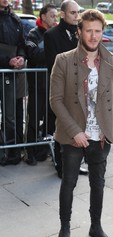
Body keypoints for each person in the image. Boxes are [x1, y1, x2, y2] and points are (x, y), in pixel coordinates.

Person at [50, 9, 113, 237]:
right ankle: (65, 228)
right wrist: (75, 132)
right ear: (79, 31)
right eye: (88, 30)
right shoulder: (64, 59)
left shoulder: (111, 60)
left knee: (98, 184)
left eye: (98, 31)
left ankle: (96, 226)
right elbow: (56, 100)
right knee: (68, 183)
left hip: (101, 138)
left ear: (102, 32)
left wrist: (112, 131)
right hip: (73, 137)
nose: (93, 36)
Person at [44, 0, 88, 178]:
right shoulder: (51, 35)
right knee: (61, 128)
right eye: (73, 13)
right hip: (62, 90)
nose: (77, 16)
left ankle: (76, 164)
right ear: (63, 14)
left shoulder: (80, 34)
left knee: (79, 127)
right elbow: (52, 65)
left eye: (78, 13)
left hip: (81, 89)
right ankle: (60, 166)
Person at [25, 4, 58, 165]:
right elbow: (33, 55)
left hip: (53, 85)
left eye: (56, 16)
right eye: (52, 15)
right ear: (43, 16)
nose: (55, 19)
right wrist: (52, 49)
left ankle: (44, 150)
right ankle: (29, 152)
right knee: (34, 119)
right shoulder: (33, 34)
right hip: (37, 84)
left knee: (50, 120)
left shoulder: (55, 34)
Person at [0, 0, 26, 165]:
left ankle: (10, 153)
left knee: (9, 116)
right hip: (6, 67)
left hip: (9, 75)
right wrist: (7, 61)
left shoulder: (15, 19)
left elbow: (21, 44)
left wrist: (21, 58)